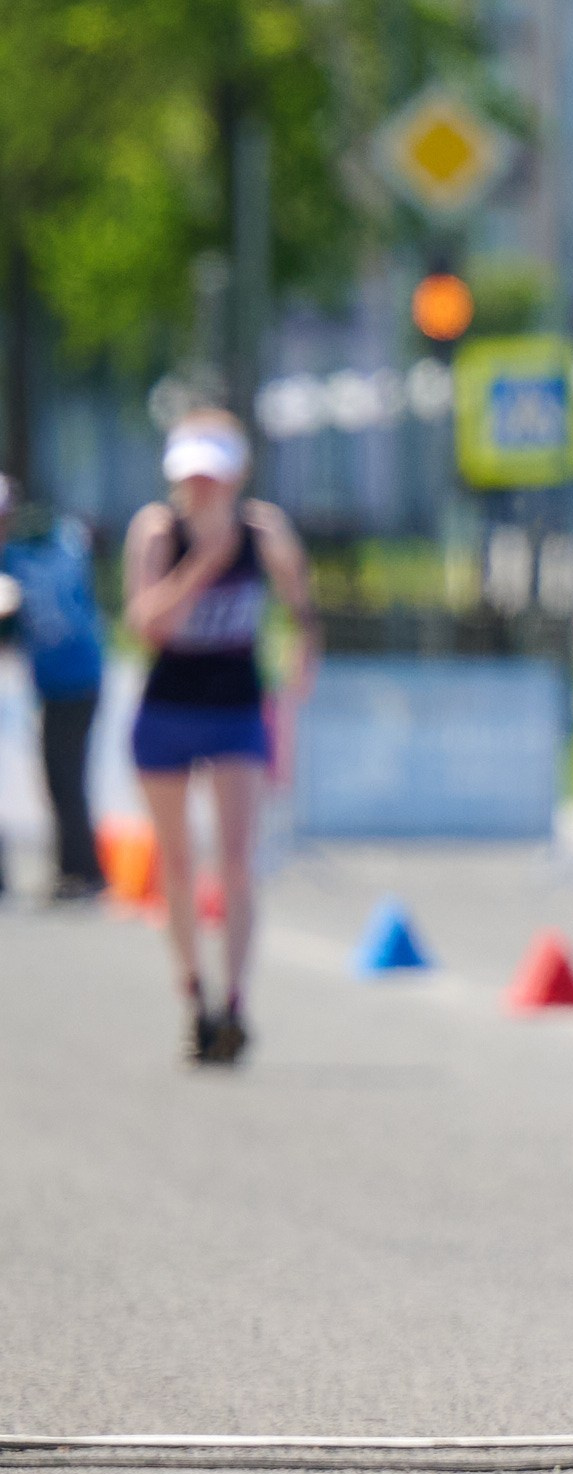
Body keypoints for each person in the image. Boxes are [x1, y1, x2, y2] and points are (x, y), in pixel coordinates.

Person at [120, 410, 317, 1063]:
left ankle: (234, 1002)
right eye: (193, 477)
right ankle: (192, 995)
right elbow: (146, 624)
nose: (202, 489)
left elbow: (299, 601)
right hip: (169, 705)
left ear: (236, 476)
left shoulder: (265, 532)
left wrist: (300, 662)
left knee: (235, 861)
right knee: (176, 862)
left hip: (235, 706)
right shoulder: (157, 530)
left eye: (214, 476)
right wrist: (203, 565)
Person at [0, 472, 109, 902]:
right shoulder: (59, 541)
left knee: (64, 776)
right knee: (61, 776)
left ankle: (82, 871)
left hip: (75, 677)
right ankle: (77, 869)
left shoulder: (22, 555)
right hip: (61, 678)